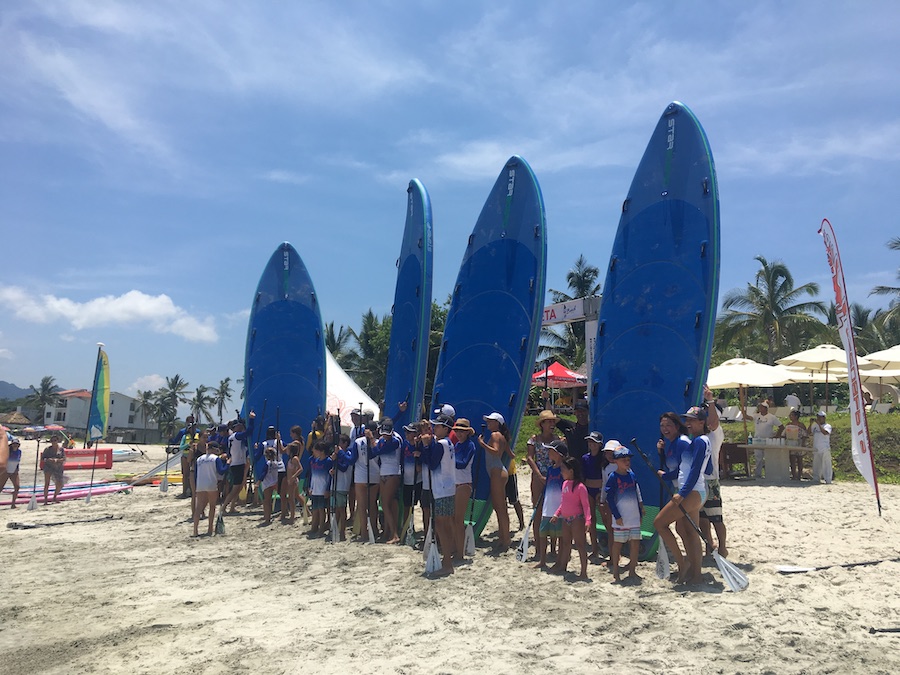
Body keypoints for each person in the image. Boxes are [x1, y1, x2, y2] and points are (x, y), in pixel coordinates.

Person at [654, 407, 711, 585]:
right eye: (687, 420)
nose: (689, 423)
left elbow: (695, 471)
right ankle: (696, 575)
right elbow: (694, 469)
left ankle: (683, 563)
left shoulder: (699, 442)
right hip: (697, 491)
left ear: (702, 422)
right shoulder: (699, 441)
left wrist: (682, 494)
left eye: (692, 420)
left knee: (659, 523)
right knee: (690, 533)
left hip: (691, 492)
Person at [417, 412, 457, 576]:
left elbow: (432, 464)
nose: (434, 428)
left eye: (437, 426)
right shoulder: (448, 443)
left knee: (441, 525)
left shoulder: (441, 444)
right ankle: (449, 559)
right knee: (446, 524)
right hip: (448, 487)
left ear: (444, 428)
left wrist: (426, 446)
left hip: (441, 488)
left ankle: (447, 563)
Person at [605, 444, 644, 583]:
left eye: (628, 459)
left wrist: (640, 509)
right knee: (618, 544)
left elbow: (637, 492)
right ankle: (616, 570)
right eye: (623, 459)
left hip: (633, 516)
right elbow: (609, 498)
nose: (627, 462)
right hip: (621, 517)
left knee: (635, 543)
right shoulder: (613, 477)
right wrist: (617, 516)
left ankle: (632, 570)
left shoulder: (632, 475)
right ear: (616, 461)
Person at [549, 455, 592, 580]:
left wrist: (588, 521)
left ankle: (583, 572)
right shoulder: (565, 484)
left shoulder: (580, 487)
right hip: (565, 518)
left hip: (577, 519)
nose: (561, 472)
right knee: (565, 543)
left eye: (563, 469)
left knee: (580, 545)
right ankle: (563, 566)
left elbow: (586, 506)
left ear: (571, 471)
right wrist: (557, 514)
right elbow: (564, 503)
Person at [526, 409, 561, 561]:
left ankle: (553, 548)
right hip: (538, 478)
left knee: (553, 512)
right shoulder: (534, 439)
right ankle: (539, 549)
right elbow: (529, 457)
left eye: (553, 421)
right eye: (549, 421)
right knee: (538, 512)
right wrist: (539, 475)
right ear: (542, 424)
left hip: (554, 479)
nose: (552, 424)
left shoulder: (557, 439)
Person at [699, 386, 728, 558]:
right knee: (702, 518)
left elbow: (714, 422)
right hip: (699, 481)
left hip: (711, 481)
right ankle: (709, 545)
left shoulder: (715, 435)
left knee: (716, 518)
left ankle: (723, 547)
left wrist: (710, 400)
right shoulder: (698, 435)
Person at [479, 412, 511, 548]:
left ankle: (505, 539)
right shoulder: (503, 437)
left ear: (497, 423)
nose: (488, 423)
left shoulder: (495, 435)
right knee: (501, 507)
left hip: (496, 472)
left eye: (491, 421)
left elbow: (496, 452)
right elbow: (511, 454)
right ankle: (504, 537)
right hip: (500, 471)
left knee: (500, 508)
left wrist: (482, 444)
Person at [536, 440, 566, 570]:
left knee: (559, 536)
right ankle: (542, 560)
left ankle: (558, 561)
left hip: (559, 509)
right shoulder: (550, 469)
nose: (548, 452)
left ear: (558, 454)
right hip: (547, 507)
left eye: (550, 450)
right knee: (543, 534)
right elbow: (547, 487)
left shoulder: (564, 470)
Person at [451, 418, 477, 559]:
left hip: (464, 484)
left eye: (462, 431)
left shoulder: (470, 446)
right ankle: (456, 547)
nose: (459, 434)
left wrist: (449, 457)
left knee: (458, 520)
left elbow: (462, 463)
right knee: (454, 519)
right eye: (457, 431)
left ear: (467, 433)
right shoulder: (457, 446)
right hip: (456, 483)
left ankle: (460, 553)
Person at [374, 418, 402, 544]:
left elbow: (380, 450)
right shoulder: (381, 440)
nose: (385, 436)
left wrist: (371, 441)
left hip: (393, 473)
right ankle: (387, 531)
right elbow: (374, 453)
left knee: (385, 504)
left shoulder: (396, 441)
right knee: (385, 504)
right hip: (383, 473)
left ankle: (395, 534)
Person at [193, 436, 228, 537]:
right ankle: (209, 529)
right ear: (214, 449)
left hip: (200, 484)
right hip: (211, 484)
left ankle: (195, 530)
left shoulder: (199, 459)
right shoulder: (215, 459)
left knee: (199, 508)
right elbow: (221, 471)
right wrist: (228, 464)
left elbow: (196, 473)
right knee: (212, 507)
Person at [222, 413, 255, 514]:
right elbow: (249, 432)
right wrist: (252, 419)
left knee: (239, 487)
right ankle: (223, 507)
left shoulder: (232, 438)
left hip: (237, 463)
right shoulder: (236, 436)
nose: (241, 426)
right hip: (238, 464)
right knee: (236, 488)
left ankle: (232, 507)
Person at [581, 430, 605, 560]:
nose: (592, 444)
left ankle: (611, 550)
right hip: (589, 490)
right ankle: (594, 549)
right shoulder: (585, 458)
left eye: (594, 442)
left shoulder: (603, 458)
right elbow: (583, 476)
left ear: (600, 444)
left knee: (605, 519)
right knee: (591, 520)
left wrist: (601, 491)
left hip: (600, 490)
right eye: (590, 441)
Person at [400, 423, 422, 540]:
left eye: (409, 432)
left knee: (417, 504)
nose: (407, 435)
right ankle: (407, 526)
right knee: (407, 505)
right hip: (407, 480)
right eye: (406, 432)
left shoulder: (419, 445)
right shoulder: (405, 445)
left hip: (418, 481)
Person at [308, 440, 333, 536]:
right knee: (315, 509)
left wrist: (327, 489)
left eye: (316, 450)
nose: (314, 452)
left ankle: (321, 528)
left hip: (323, 490)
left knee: (321, 510)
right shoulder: (315, 461)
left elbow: (330, 477)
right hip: (315, 489)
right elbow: (313, 476)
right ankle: (314, 527)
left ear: (321, 451)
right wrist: (311, 487)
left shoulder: (328, 461)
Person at [331, 433, 354, 541]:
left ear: (345, 444)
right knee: (335, 509)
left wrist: (336, 460)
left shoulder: (348, 454)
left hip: (343, 485)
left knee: (342, 509)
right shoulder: (337, 454)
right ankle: (335, 528)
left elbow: (344, 467)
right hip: (335, 484)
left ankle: (342, 532)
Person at [751, 402, 781, 478]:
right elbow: (749, 418)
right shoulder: (756, 416)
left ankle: (770, 474)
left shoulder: (772, 417)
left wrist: (776, 436)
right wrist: (744, 413)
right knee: (758, 458)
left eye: (762, 407)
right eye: (759, 407)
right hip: (758, 440)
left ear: (766, 408)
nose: (760, 409)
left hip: (768, 440)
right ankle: (758, 474)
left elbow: (781, 427)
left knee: (769, 458)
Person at [777, 409, 808, 481]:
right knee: (792, 459)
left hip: (799, 443)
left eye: (792, 415)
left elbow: (805, 435)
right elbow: (784, 434)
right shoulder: (788, 425)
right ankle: (794, 475)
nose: (790, 416)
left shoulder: (801, 425)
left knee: (799, 459)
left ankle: (799, 475)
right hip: (790, 443)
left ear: (796, 416)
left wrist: (803, 443)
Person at [42, 433, 66, 504]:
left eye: (55, 440)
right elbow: (43, 458)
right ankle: (45, 500)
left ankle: (54, 497)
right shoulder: (47, 449)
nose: (54, 442)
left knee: (60, 484)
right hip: (48, 467)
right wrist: (49, 460)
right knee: (47, 483)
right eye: (52, 440)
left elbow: (64, 458)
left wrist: (57, 460)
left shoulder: (61, 449)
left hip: (58, 467)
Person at [810, 411, 833, 484]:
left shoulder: (827, 426)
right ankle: (816, 478)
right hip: (816, 447)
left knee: (826, 464)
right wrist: (811, 424)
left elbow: (825, 433)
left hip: (824, 448)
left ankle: (828, 479)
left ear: (824, 418)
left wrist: (819, 425)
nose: (819, 418)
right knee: (816, 464)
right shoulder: (814, 426)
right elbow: (809, 433)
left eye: (820, 417)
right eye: (818, 417)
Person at [1, 435, 22, 508]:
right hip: (5, 471)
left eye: (16, 444)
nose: (15, 445)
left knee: (17, 487)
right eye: (14, 444)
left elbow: (17, 462)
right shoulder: (7, 451)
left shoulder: (19, 452)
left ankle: (13, 504)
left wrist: (16, 470)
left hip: (14, 471)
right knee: (0, 488)